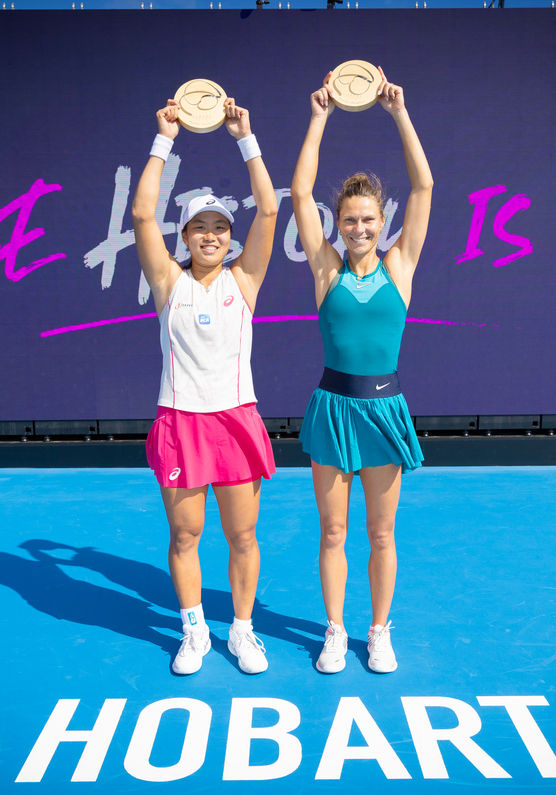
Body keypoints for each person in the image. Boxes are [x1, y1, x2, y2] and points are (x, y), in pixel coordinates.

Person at [290, 69, 433, 674]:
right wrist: (319, 113)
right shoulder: (326, 269)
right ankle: (334, 630)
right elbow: (298, 194)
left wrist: (398, 112)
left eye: (369, 218)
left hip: (383, 412)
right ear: (338, 224)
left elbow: (424, 185)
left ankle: (377, 631)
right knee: (331, 533)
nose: (359, 228)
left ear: (382, 219)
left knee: (380, 536)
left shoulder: (401, 264)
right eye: (349, 219)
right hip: (332, 410)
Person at [132, 97, 279, 675]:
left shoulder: (245, 281)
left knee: (243, 536)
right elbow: (143, 216)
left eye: (221, 226)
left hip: (235, 420)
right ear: (186, 237)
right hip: (180, 421)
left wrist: (246, 137)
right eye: (201, 227)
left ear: (229, 237)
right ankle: (194, 631)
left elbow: (269, 212)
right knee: (186, 533)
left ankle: (241, 632)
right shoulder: (168, 281)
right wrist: (163, 138)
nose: (212, 235)